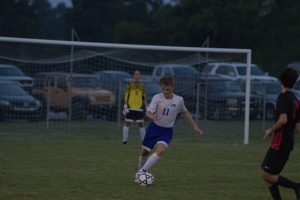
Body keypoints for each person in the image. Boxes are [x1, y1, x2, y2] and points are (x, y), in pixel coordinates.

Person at [135, 76, 204, 181]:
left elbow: (185, 112)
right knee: (144, 152)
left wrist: (195, 127)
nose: (165, 91)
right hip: (154, 128)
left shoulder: (179, 100)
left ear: (172, 87)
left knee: (160, 151)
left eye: (167, 89)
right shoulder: (157, 98)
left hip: (167, 131)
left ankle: (140, 174)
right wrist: (150, 115)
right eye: (163, 89)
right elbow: (148, 112)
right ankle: (140, 173)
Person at [261, 67, 300, 200]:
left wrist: (270, 130)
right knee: (269, 175)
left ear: (281, 81)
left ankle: (297, 187)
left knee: (266, 174)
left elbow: (283, 119)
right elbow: (297, 128)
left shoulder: (283, 97)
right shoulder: (296, 100)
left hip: (280, 142)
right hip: (288, 142)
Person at [122, 70, 147, 144]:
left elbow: (144, 97)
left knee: (141, 124)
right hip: (130, 107)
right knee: (127, 123)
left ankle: (144, 141)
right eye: (136, 74)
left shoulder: (142, 85)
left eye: (138, 74)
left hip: (139, 108)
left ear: (140, 76)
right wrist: (125, 105)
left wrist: (146, 106)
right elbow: (126, 95)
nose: (137, 76)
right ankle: (124, 140)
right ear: (133, 76)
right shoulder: (129, 84)